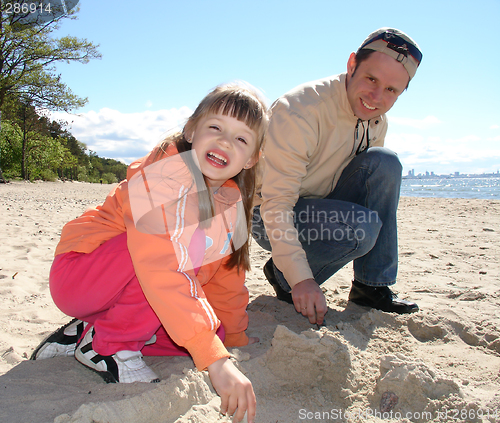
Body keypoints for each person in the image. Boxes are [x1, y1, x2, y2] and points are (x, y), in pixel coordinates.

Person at [31, 82, 269, 423]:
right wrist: (216, 362)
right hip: (80, 274)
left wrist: (230, 338)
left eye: (241, 139)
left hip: (123, 289)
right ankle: (109, 346)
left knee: (201, 336)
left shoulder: (229, 205)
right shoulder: (163, 175)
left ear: (252, 159)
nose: (225, 142)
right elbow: (160, 264)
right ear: (191, 130)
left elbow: (226, 280)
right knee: (177, 278)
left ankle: (89, 332)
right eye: (215, 127)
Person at [252, 28, 423, 326]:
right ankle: (282, 275)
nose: (376, 97)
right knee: (361, 228)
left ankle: (371, 287)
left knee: (386, 163)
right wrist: (301, 279)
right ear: (352, 64)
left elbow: (369, 189)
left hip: (322, 207)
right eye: (371, 79)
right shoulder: (301, 110)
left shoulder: (376, 120)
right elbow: (276, 204)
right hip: (267, 214)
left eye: (392, 90)